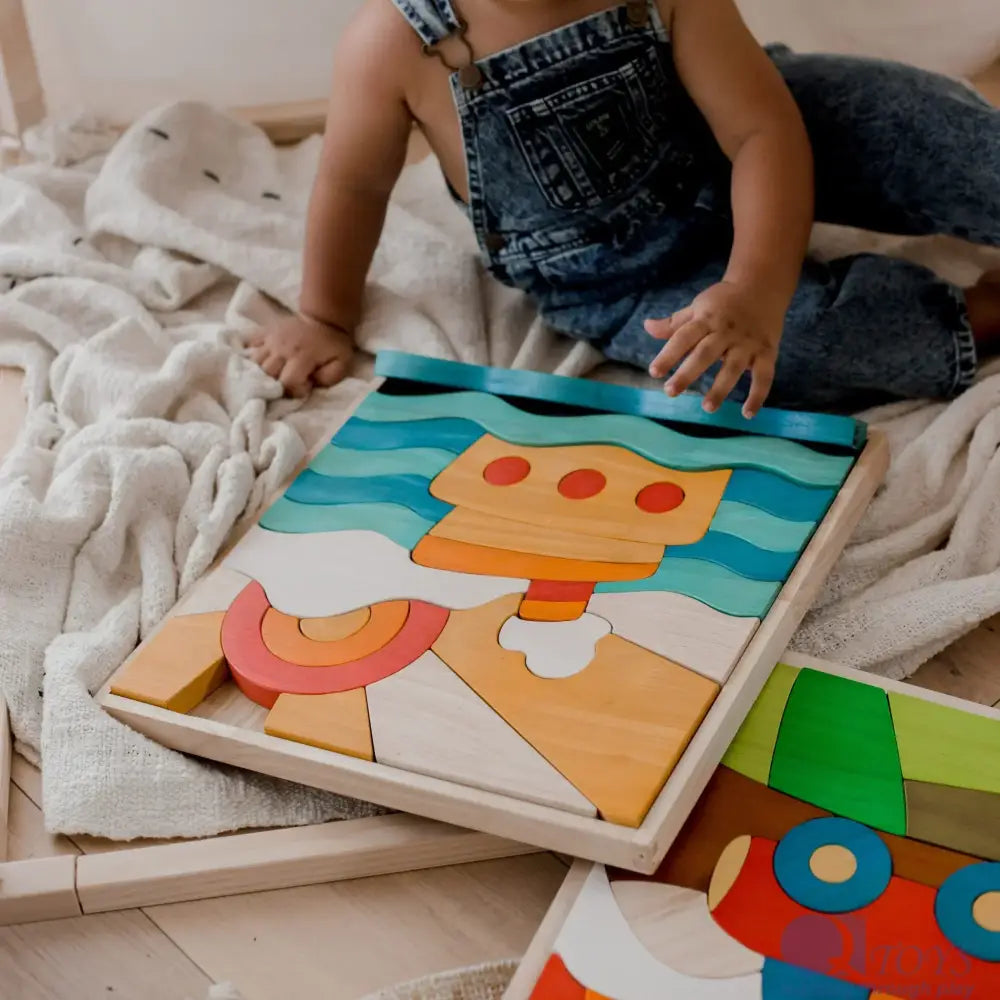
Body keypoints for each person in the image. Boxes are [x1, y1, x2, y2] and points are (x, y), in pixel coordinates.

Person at [249, 0, 1000, 415]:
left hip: (744, 141)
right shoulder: (395, 46)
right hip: (615, 277)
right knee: (780, 359)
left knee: (907, 118)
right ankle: (974, 315)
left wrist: (755, 286)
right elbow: (352, 188)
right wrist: (325, 316)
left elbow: (761, 131)